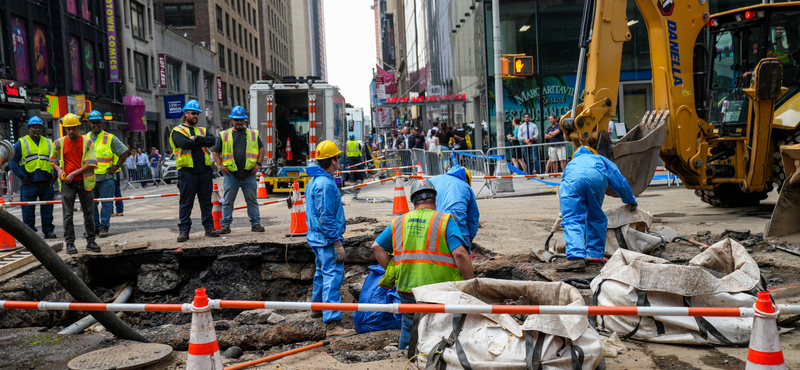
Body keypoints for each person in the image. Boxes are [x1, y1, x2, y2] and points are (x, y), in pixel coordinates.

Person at [370, 179, 474, 350]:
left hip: (407, 288)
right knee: (441, 330)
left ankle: (405, 357)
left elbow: (377, 247)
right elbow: (460, 254)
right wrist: (472, 284)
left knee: (409, 328)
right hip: (440, 290)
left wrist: (395, 271)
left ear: (413, 202)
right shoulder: (445, 220)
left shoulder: (398, 222)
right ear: (435, 200)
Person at [304, 140, 356, 337]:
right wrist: (336, 241)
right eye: (338, 159)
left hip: (316, 238)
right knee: (332, 277)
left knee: (320, 273)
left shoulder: (315, 180)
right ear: (333, 160)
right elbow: (326, 216)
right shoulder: (325, 184)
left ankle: (317, 308)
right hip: (326, 239)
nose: (339, 163)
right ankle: (332, 324)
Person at [557, 146, 637, 271]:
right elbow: (619, 180)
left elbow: (565, 183)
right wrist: (630, 199)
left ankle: (576, 257)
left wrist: (567, 209)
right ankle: (594, 256)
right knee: (596, 218)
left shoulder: (572, 163)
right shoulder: (600, 159)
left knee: (573, 219)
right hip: (596, 180)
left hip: (573, 183)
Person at [169, 99, 220, 242]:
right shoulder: (178, 131)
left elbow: (212, 141)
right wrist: (201, 141)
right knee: (186, 202)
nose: (196, 116)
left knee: (206, 202)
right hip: (187, 172)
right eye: (193, 113)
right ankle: (184, 231)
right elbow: (184, 143)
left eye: (197, 114)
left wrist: (196, 138)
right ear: (185, 114)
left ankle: (209, 228)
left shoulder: (201, 130)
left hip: (204, 172)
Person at [49, 113, 100, 255]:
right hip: (67, 183)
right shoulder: (58, 143)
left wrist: (72, 174)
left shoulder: (87, 142)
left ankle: (91, 241)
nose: (71, 132)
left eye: (73, 129)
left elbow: (91, 164)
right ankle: (70, 243)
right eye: (68, 129)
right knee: (67, 215)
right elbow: (52, 160)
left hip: (83, 182)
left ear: (78, 128)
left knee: (89, 213)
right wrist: (59, 170)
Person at [211, 106, 266, 234]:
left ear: (244, 120)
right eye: (236, 120)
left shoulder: (253, 134)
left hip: (248, 174)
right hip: (231, 174)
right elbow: (214, 151)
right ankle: (225, 225)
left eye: (241, 120)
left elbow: (261, 149)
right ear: (231, 120)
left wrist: (258, 164)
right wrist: (220, 165)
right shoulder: (224, 135)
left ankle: (255, 223)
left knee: (252, 199)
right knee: (227, 200)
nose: (239, 122)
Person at [7, 116, 57, 239]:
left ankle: (48, 231)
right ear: (29, 128)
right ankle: (30, 234)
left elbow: (56, 159)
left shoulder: (49, 142)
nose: (37, 129)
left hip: (46, 181)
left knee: (48, 208)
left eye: (39, 127)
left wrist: (55, 175)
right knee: (28, 209)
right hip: (29, 182)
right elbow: (12, 161)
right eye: (34, 127)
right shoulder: (21, 142)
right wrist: (22, 176)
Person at [85, 110, 130, 238]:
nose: (96, 125)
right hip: (90, 178)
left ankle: (104, 227)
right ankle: (95, 227)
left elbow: (124, 152)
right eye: (93, 123)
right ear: (89, 124)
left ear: (101, 123)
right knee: (90, 205)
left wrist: (116, 166)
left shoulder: (110, 138)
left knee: (106, 204)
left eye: (98, 123)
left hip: (106, 178)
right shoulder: (84, 138)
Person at [429, 165, 480, 246]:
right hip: (455, 230)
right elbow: (472, 219)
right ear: (466, 180)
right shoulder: (465, 187)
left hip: (430, 227)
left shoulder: (432, 180)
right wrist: (468, 243)